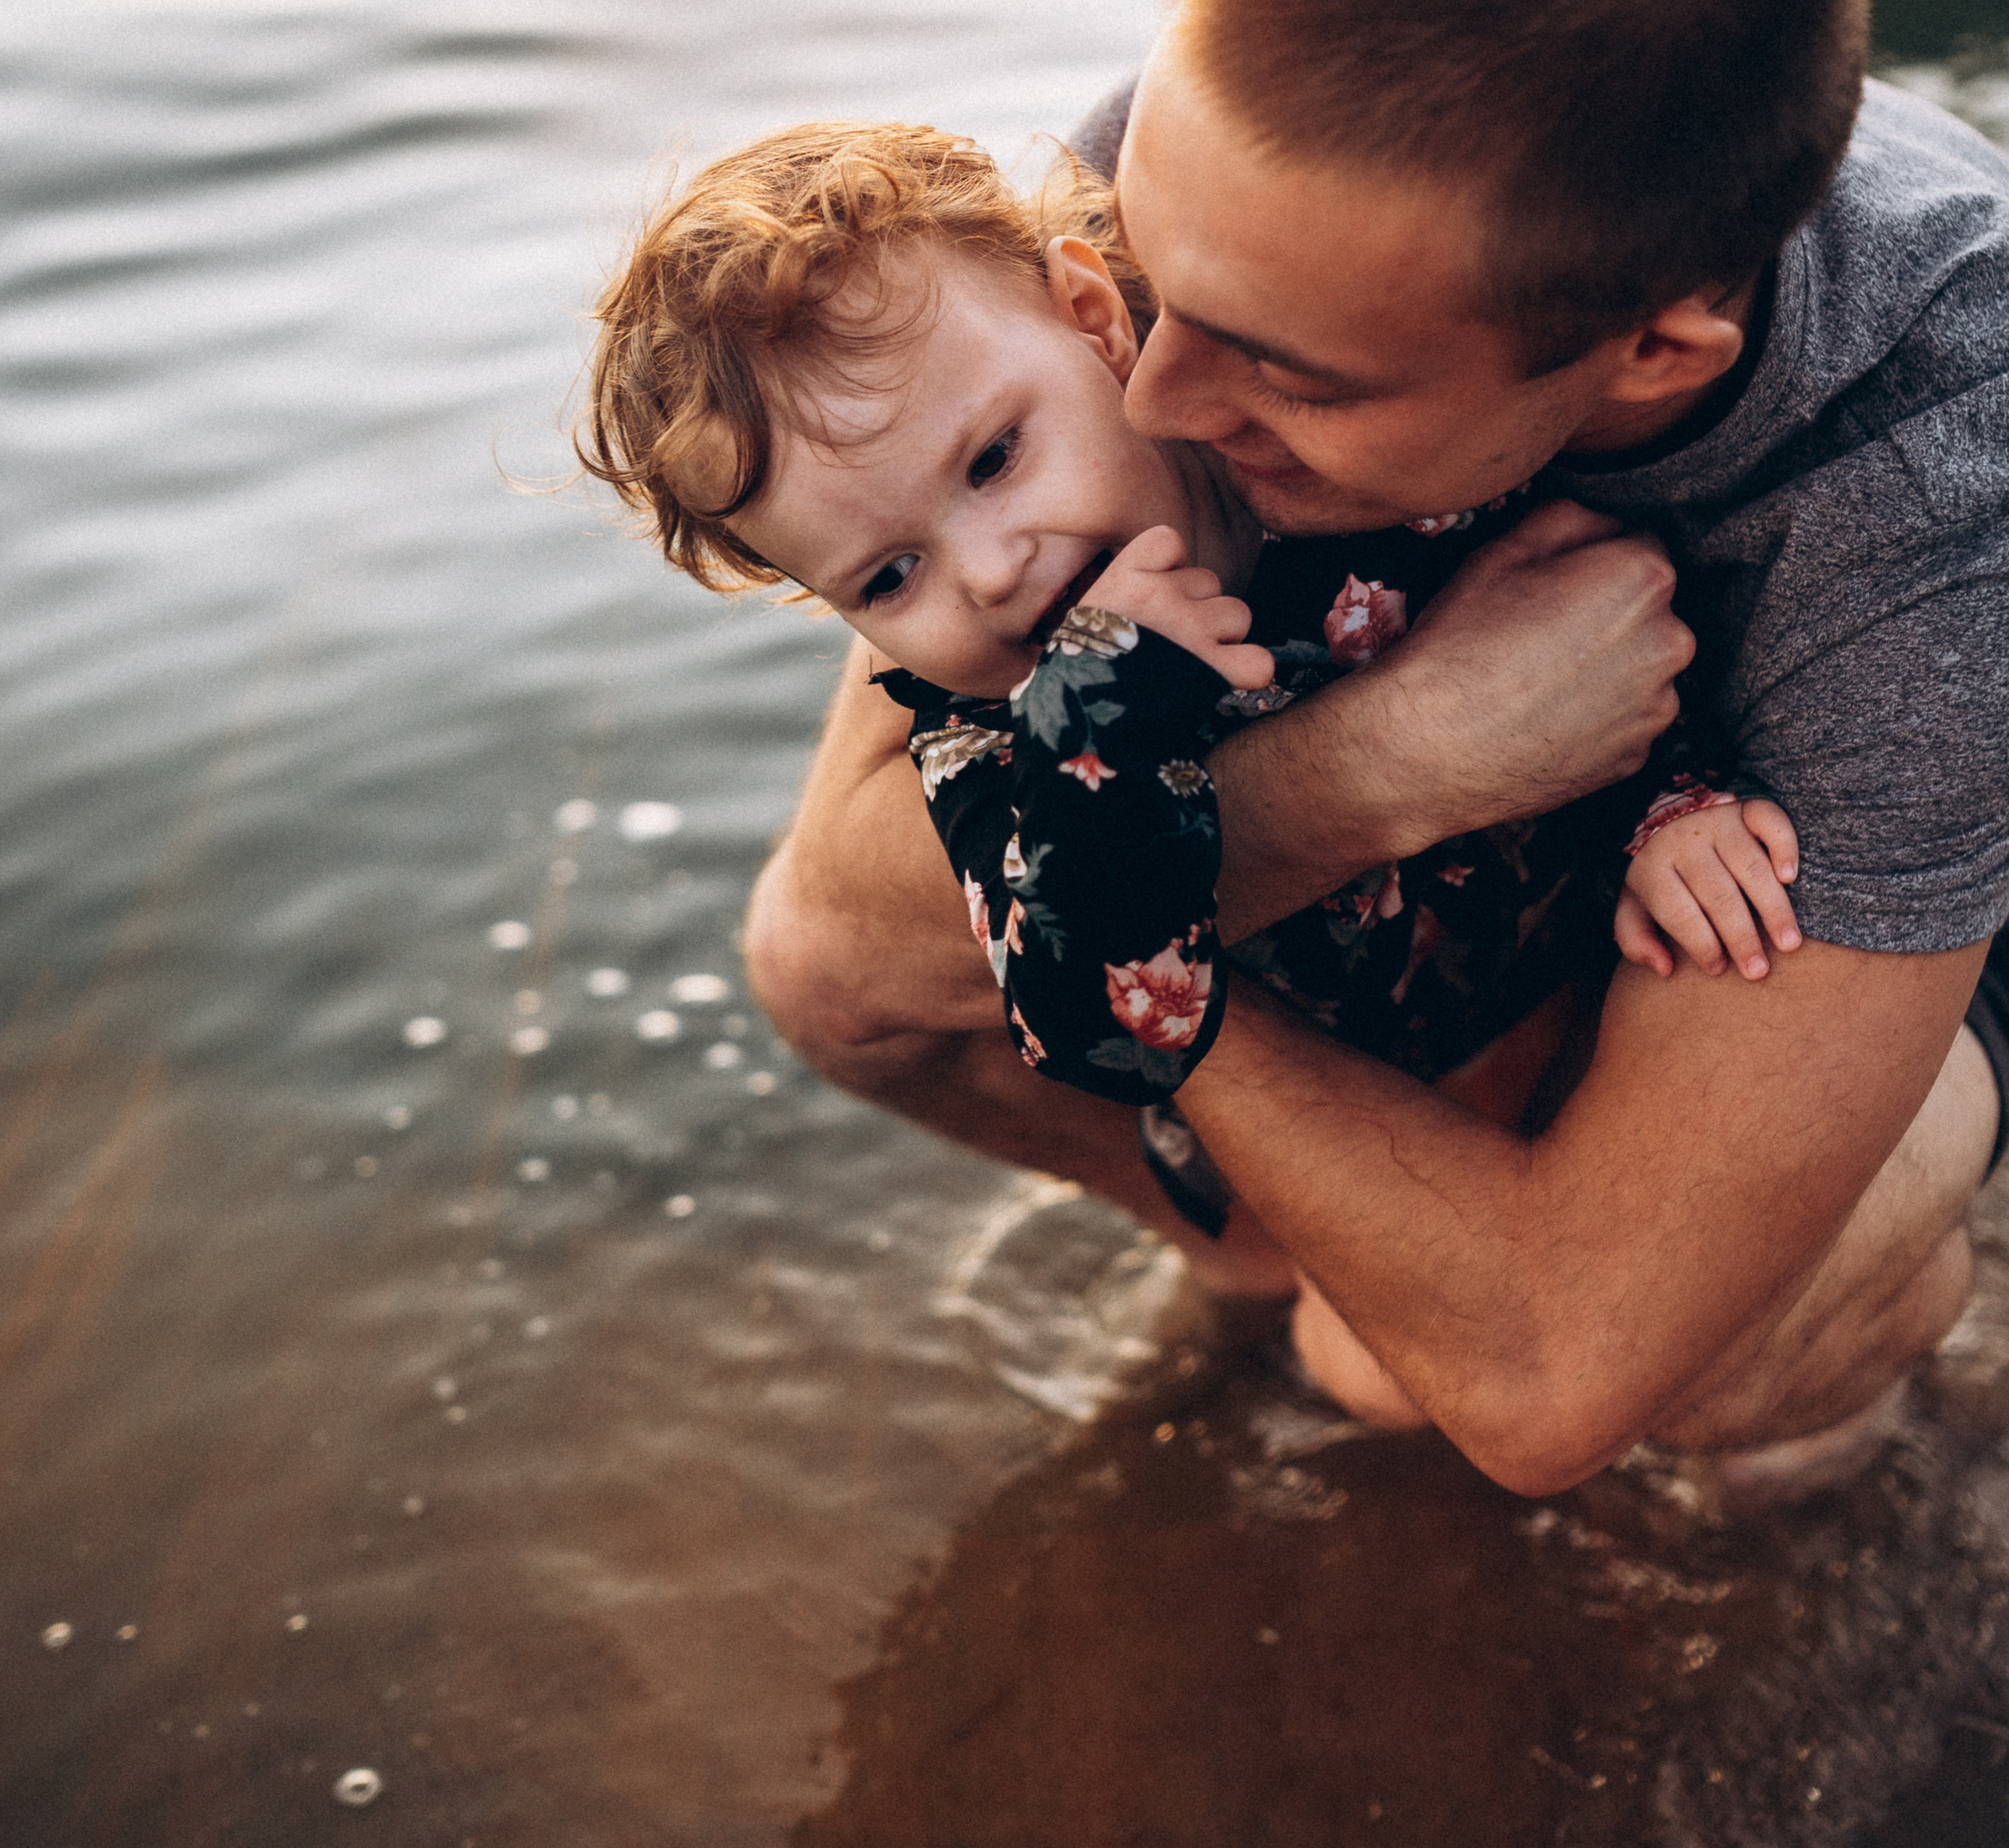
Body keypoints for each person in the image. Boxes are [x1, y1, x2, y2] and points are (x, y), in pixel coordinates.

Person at [744, 0, 2009, 1505]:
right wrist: (1395, 766)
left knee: (1687, 1358)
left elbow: (1547, 1375)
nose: (1154, 400)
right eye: (1141, 290)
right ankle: (1259, 1258)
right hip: (1469, 820)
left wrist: (1112, 939)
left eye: (1281, 374)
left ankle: (1836, 1437)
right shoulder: (1195, 194)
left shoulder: (1937, 495)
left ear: (1655, 352)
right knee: (831, 980)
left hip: (1867, 914)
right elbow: (848, 920)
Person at [578, 122, 1795, 1149]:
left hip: (1568, 967)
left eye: (995, 458)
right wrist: (1099, 710)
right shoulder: (988, 739)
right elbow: (1101, 1031)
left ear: (1096, 321)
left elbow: (1603, 632)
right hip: (1349, 1104)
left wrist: (1672, 811)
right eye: (891, 576)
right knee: (1354, 1364)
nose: (994, 572)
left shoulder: (1358, 476)